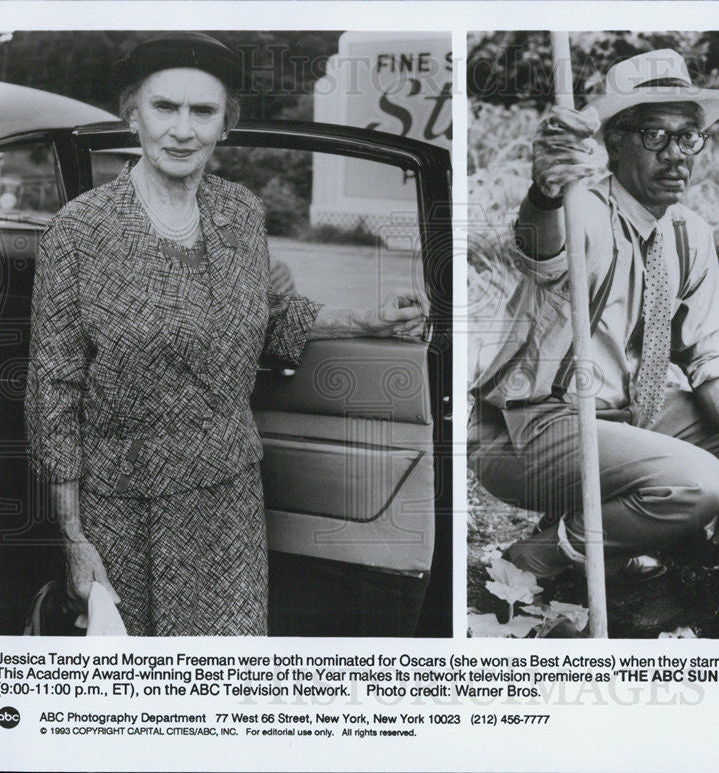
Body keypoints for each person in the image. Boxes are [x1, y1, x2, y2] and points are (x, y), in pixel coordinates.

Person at [25, 33, 426, 635]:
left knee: (226, 685)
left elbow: (264, 318)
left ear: (224, 125)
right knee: (133, 699)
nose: (182, 129)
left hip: (227, 497)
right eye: (165, 108)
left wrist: (365, 320)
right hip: (122, 508)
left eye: (203, 111)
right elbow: (52, 394)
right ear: (133, 114)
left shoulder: (239, 212)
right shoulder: (80, 231)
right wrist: (74, 537)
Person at [469, 49, 719, 579]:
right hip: (533, 429)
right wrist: (547, 189)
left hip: (631, 421)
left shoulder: (688, 233)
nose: (676, 155)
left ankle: (629, 531)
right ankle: (552, 552)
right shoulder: (583, 207)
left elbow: (712, 352)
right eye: (655, 135)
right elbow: (541, 249)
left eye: (688, 136)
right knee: (697, 483)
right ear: (615, 144)